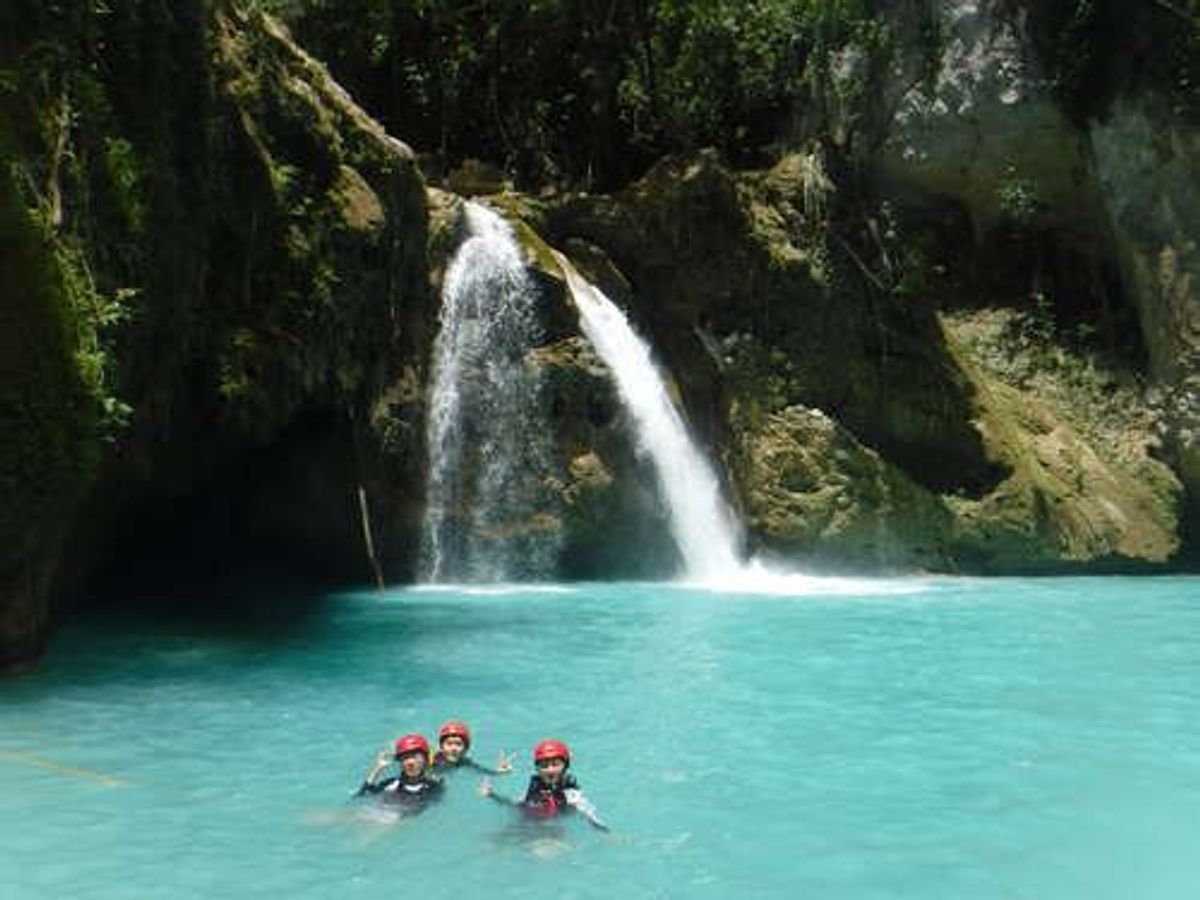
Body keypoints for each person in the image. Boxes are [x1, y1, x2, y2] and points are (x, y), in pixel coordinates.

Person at [478, 738, 608, 831]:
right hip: (525, 827)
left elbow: (588, 813)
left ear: (565, 766)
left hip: (551, 832)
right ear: (537, 769)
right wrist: (492, 795)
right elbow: (515, 805)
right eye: (544, 766)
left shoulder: (571, 794)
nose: (550, 770)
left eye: (555, 765)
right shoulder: (535, 789)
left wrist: (602, 830)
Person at [354, 734, 443, 812]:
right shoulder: (391, 784)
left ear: (425, 760)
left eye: (415, 757)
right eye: (405, 758)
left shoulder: (434, 786)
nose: (410, 762)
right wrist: (377, 769)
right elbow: (361, 796)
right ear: (400, 762)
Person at [430, 720, 513, 775]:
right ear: (441, 747)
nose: (453, 748)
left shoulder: (464, 762)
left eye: (458, 744)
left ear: (466, 749)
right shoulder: (433, 761)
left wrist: (499, 772)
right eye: (449, 744)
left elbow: (482, 771)